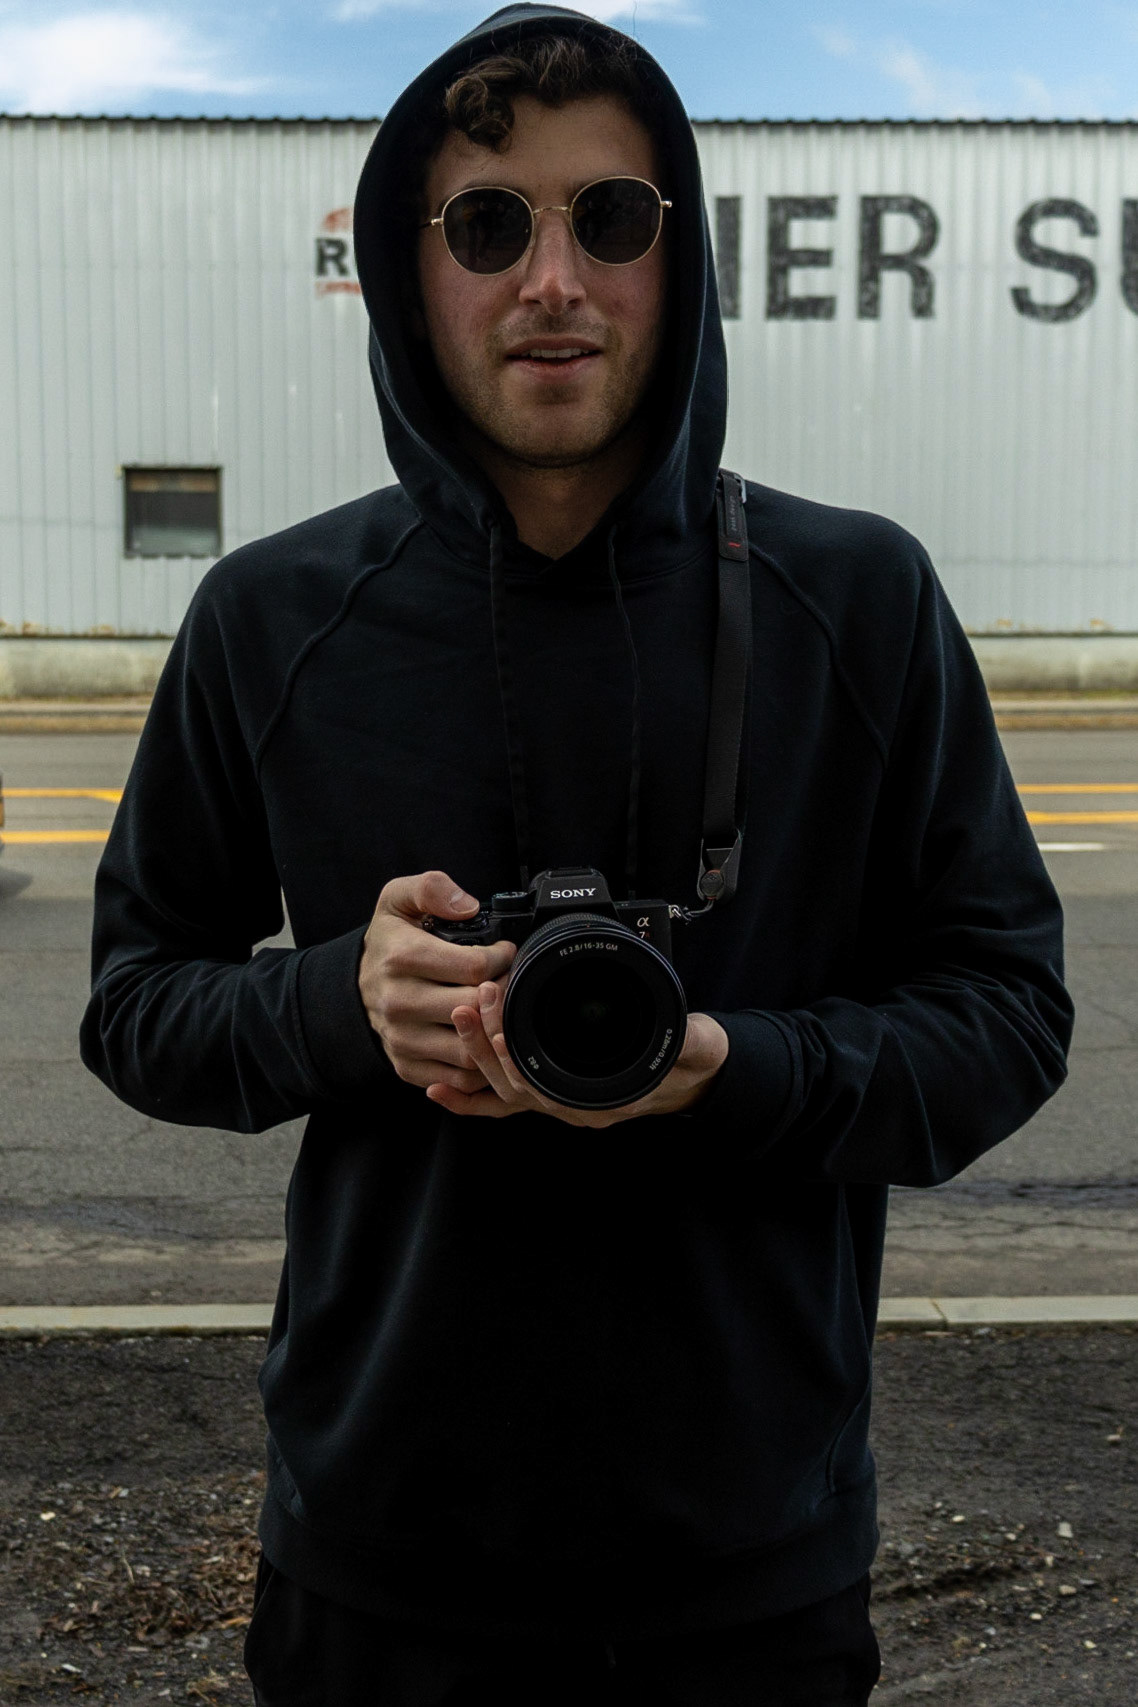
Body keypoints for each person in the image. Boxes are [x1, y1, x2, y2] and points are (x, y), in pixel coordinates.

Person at [80, 5, 1074, 1703]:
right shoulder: (274, 617)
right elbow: (132, 1003)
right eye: (487, 224)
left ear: (675, 260)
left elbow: (1006, 1015)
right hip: (379, 1555)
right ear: (410, 271)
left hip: (748, 1560)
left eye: (608, 218)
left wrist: (732, 1067)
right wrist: (338, 1006)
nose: (552, 278)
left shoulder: (860, 601)